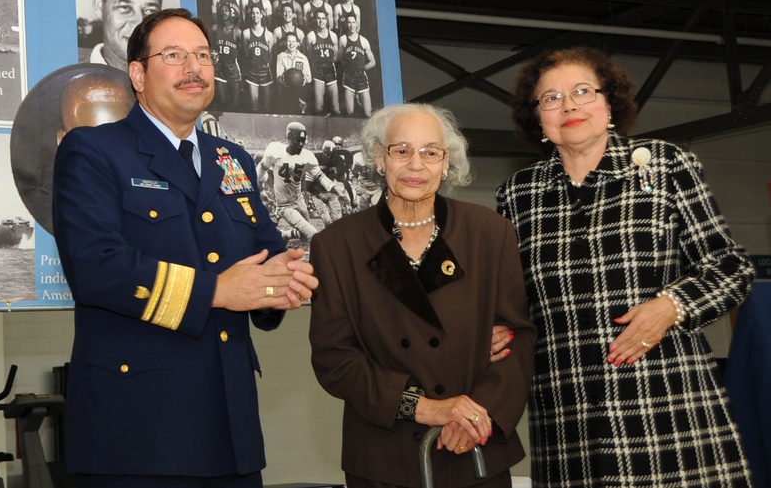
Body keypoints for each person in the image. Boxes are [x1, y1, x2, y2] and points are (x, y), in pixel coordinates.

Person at [53, 8, 319, 488]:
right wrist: (218, 291)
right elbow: (97, 269)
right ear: (137, 73)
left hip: (231, 427)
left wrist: (282, 284)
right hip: (140, 432)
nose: (194, 69)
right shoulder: (93, 151)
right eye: (174, 56)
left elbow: (265, 252)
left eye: (202, 56)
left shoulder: (232, 158)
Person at [496, 45, 755, 487]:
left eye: (582, 91)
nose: (569, 105)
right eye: (551, 98)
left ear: (609, 101)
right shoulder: (517, 194)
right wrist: (498, 327)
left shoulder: (667, 163)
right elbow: (512, 298)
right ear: (536, 118)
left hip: (666, 402)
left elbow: (731, 267)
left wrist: (671, 305)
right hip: (567, 409)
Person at [309, 102, 535, 488]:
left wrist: (476, 416)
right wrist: (425, 408)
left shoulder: (489, 232)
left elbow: (517, 337)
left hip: (475, 452)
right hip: (385, 459)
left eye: (431, 152)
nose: (416, 165)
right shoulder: (336, 245)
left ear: (446, 163)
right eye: (402, 151)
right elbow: (335, 358)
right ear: (380, 159)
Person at [258, 121, 341, 247]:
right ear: (289, 138)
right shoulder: (276, 150)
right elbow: (262, 168)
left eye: (303, 141)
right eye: (298, 140)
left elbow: (319, 176)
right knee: (313, 234)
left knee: (303, 235)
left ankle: (285, 235)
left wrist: (335, 188)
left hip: (299, 200)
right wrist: (254, 181)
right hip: (284, 205)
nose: (301, 144)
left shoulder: (307, 156)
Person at [338, 13, 376, 117]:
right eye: (349, 22)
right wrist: (346, 67)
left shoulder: (363, 41)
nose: (351, 25)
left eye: (353, 22)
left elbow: (373, 62)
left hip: (361, 77)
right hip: (348, 77)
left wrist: (362, 69)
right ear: (346, 24)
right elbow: (339, 58)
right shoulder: (343, 39)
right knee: (349, 111)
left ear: (356, 24)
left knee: (368, 113)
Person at [303, 8, 340, 115]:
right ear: (314, 20)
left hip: (330, 68)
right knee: (318, 107)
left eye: (323, 18)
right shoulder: (310, 36)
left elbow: (335, 56)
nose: (321, 21)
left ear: (327, 19)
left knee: (336, 107)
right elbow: (309, 56)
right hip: (317, 68)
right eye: (318, 18)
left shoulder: (333, 36)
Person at [210, 0, 243, 111]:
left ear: (231, 13)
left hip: (232, 65)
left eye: (226, 10)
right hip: (219, 66)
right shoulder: (215, 28)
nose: (224, 12)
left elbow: (242, 50)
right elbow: (211, 44)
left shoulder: (237, 31)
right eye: (222, 11)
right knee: (222, 101)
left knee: (236, 102)